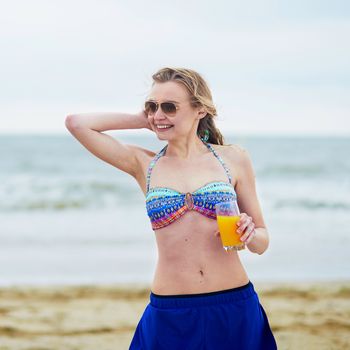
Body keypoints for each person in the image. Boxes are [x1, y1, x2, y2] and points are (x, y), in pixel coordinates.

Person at [65, 67, 277, 349]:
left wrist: (251, 234)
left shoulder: (233, 159)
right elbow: (77, 123)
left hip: (233, 304)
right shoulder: (144, 164)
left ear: (200, 109)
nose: (158, 114)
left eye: (169, 107)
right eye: (152, 106)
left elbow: (261, 242)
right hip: (169, 310)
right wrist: (143, 120)